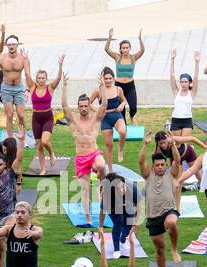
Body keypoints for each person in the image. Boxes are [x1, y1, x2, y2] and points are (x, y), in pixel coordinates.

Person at [61, 76, 108, 225]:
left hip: (94, 154)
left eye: (85, 106)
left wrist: (102, 87)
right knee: (85, 191)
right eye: (80, 106)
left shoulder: (95, 120)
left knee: (101, 165)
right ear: (78, 107)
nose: (83, 108)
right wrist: (64, 86)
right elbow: (64, 108)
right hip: (81, 159)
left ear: (89, 105)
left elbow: (104, 105)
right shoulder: (73, 122)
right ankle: (88, 219)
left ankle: (103, 186)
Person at [138, 137, 185, 267]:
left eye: (162, 165)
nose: (160, 167)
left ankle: (174, 249)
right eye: (157, 165)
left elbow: (177, 160)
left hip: (168, 211)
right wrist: (145, 145)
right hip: (153, 217)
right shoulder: (148, 176)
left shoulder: (171, 174)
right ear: (153, 167)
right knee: (159, 250)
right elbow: (140, 162)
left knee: (171, 222)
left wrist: (173, 146)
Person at [23, 53, 64, 175]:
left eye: (43, 78)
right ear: (37, 79)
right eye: (39, 78)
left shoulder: (50, 87)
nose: (41, 80)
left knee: (45, 141)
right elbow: (26, 74)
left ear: (46, 79)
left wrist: (60, 65)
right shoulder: (32, 87)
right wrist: (26, 60)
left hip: (47, 118)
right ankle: (43, 169)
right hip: (36, 118)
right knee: (39, 146)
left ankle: (51, 154)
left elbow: (58, 78)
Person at [103, 29, 145, 124]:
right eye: (123, 48)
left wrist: (140, 39)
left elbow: (142, 50)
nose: (125, 49)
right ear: (120, 49)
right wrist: (109, 37)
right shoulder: (117, 57)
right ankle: (123, 125)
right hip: (118, 86)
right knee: (121, 109)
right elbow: (106, 49)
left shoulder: (133, 58)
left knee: (133, 107)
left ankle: (132, 117)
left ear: (130, 48)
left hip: (130, 86)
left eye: (127, 47)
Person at [93, 67, 129, 166]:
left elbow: (124, 100)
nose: (108, 80)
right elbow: (88, 103)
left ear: (113, 78)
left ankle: (120, 150)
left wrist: (122, 105)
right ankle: (110, 169)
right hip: (105, 118)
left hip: (116, 115)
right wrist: (98, 111)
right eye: (106, 78)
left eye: (110, 78)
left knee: (122, 131)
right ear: (102, 79)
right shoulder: (98, 91)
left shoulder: (118, 89)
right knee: (109, 145)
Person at [0, 35, 28, 140]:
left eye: (13, 44)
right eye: (9, 44)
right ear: (7, 46)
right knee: (9, 115)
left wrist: (27, 90)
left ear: (17, 45)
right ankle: (10, 138)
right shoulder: (2, 58)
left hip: (19, 88)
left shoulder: (23, 58)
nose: (11, 46)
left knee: (21, 114)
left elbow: (28, 74)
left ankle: (22, 135)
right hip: (6, 88)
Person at [167, 49, 202, 143]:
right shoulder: (176, 92)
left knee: (183, 142)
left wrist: (197, 62)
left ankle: (187, 154)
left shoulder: (192, 93)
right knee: (177, 143)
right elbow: (172, 75)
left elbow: (196, 76)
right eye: (182, 82)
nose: (183, 84)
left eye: (185, 82)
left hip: (187, 120)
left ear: (189, 83)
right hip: (176, 119)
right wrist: (172, 60)